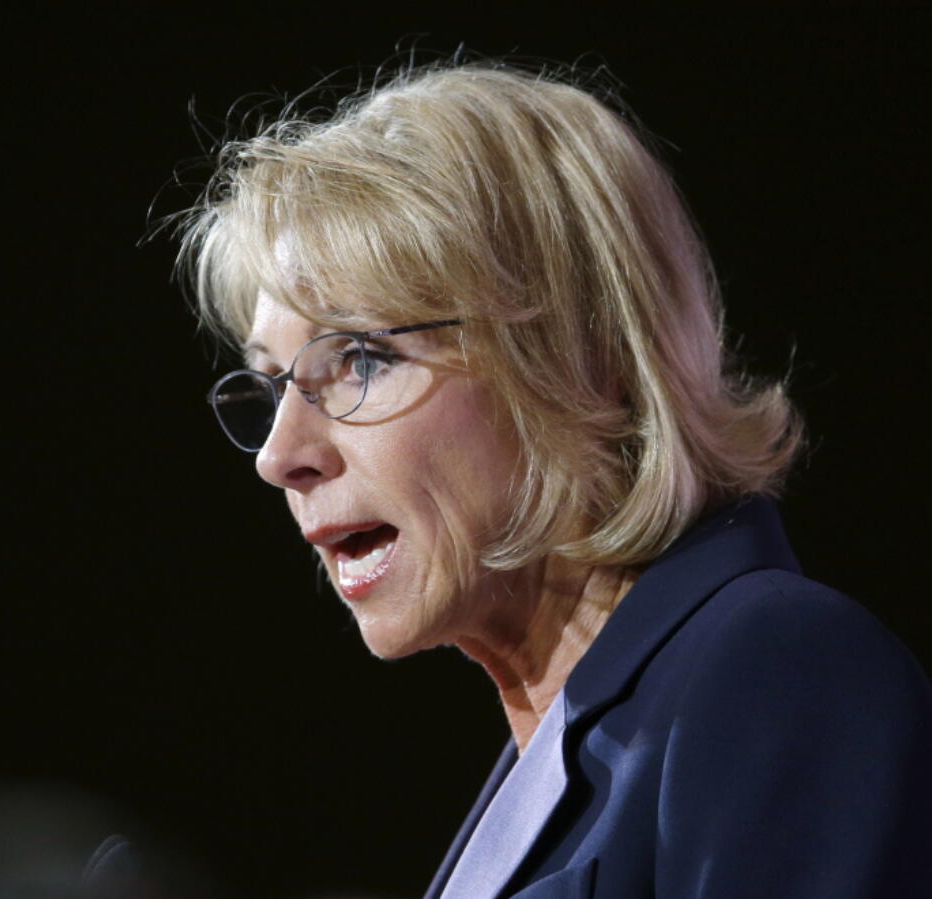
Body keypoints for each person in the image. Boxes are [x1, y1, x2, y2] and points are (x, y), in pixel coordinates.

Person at [116, 62, 932, 898]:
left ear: (583, 358)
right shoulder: (560, 744)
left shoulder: (776, 667)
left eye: (361, 358)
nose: (279, 454)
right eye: (273, 383)